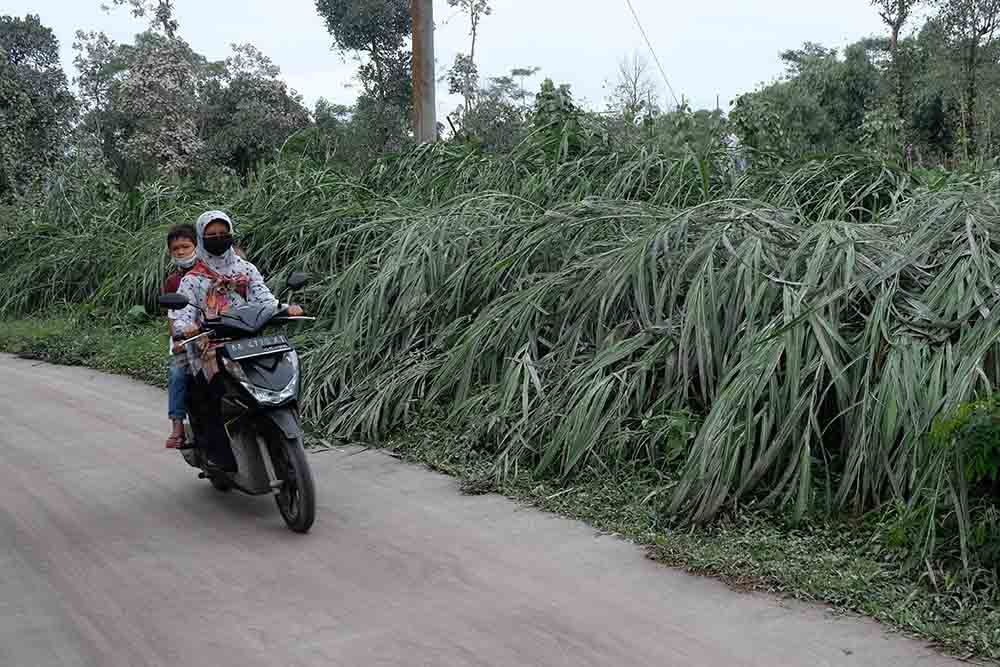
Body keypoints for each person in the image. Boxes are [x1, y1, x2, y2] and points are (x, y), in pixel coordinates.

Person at [170, 210, 303, 471]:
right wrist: (186, 327)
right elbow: (182, 316)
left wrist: (285, 308)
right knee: (206, 394)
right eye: (211, 235)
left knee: (282, 372)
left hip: (250, 342)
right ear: (201, 239)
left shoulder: (246, 269)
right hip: (211, 346)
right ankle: (218, 455)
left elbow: (264, 299)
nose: (219, 238)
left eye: (223, 233)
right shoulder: (192, 279)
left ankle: (284, 429)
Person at [162, 224, 198, 449]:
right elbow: (172, 317)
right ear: (170, 252)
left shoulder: (209, 272)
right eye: (176, 248)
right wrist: (178, 340)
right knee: (177, 373)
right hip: (187, 340)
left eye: (186, 246)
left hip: (215, 335)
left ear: (196, 246)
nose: (181, 252)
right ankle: (177, 426)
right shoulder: (173, 282)